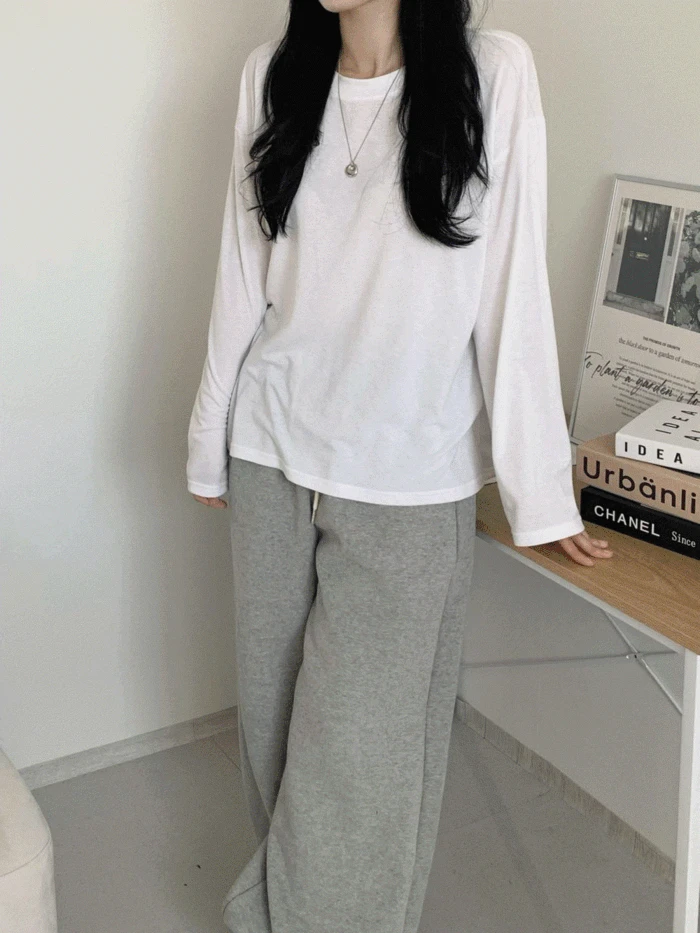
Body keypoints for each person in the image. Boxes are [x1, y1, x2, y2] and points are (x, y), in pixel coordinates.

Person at [186, 1, 614, 930]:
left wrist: (541, 490)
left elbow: (512, 290)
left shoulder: (493, 73)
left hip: (408, 481)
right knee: (271, 725)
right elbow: (241, 265)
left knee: (360, 755)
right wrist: (209, 437)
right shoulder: (272, 73)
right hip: (269, 453)